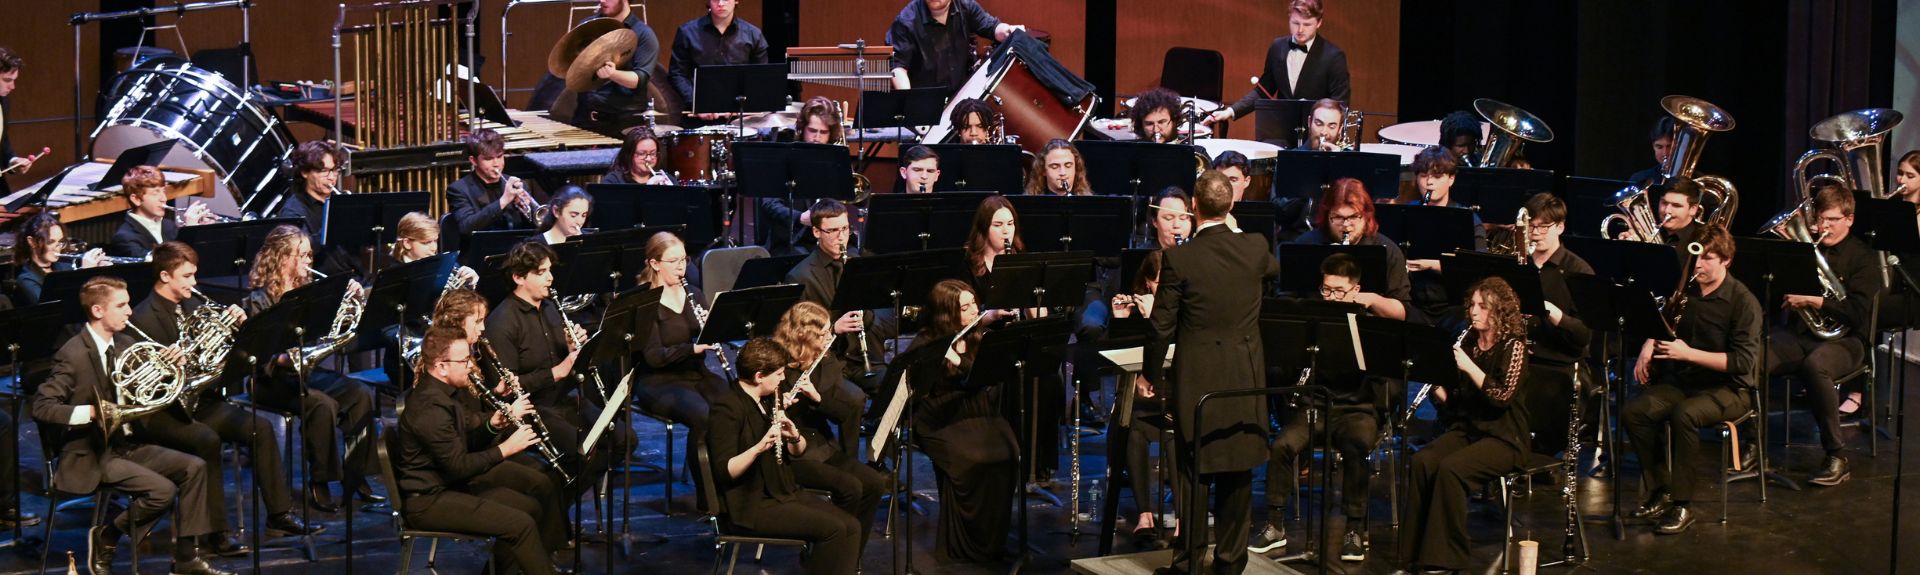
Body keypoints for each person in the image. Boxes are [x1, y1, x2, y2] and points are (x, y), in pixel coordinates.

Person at [129, 242, 324, 555]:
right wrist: (169, 365)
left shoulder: (191, 305)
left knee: (260, 428)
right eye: (187, 276)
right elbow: (141, 383)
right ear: (165, 276)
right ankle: (214, 532)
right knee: (207, 441)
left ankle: (279, 515)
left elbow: (221, 359)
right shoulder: (141, 318)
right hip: (165, 411)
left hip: (200, 402)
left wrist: (237, 329)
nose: (194, 283)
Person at [31, 277, 235, 575]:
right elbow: (41, 407)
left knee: (195, 468)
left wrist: (172, 367)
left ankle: (186, 557)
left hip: (127, 444)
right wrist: (88, 412)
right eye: (122, 305)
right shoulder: (72, 354)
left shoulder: (126, 343)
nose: (129, 311)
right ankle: (108, 536)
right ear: (98, 310)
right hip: (92, 453)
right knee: (162, 491)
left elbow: (152, 389)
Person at [1140, 170, 1280, 575]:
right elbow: (1273, 271)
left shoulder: (1180, 258)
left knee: (1193, 473)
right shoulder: (1254, 246)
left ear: (1194, 208)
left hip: (1196, 378)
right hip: (1244, 376)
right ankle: (1230, 564)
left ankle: (1187, 564)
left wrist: (1149, 373)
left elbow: (1162, 325)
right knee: (1238, 470)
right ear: (1231, 206)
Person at [1623, 223, 1761, 534]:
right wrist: (1650, 342)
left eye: (1708, 259)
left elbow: (1742, 362)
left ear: (1726, 261)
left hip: (1730, 390)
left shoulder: (1743, 302)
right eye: (1695, 257)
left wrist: (1688, 354)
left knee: (1684, 415)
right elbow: (1665, 323)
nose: (1698, 264)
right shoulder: (1686, 290)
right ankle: (1661, 488)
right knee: (1636, 412)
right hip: (1685, 383)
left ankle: (1682, 505)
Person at [397, 325, 565, 575]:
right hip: (430, 501)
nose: (470, 366)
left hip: (448, 487)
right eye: (464, 360)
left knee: (530, 508)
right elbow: (459, 467)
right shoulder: (429, 408)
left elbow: (465, 442)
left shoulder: (444, 395)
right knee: (520, 525)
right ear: (441, 366)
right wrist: (506, 449)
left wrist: (493, 424)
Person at [1395, 277, 1530, 575]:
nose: (1473, 312)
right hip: (1470, 429)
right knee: (1423, 461)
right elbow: (1459, 402)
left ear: (1500, 312)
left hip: (1505, 438)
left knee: (1451, 470)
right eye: (1472, 305)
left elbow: (1501, 396)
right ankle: (1413, 552)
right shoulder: (1468, 341)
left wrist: (1468, 366)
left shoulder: (1514, 347)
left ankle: (1446, 558)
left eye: (1483, 307)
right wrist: (1440, 392)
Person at [1250, 253, 1381, 560]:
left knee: (1357, 445)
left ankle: (1354, 528)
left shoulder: (1369, 325)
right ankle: (1275, 524)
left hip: (1356, 409)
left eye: (1339, 291)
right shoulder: (1313, 322)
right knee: (1282, 445)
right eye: (1326, 290)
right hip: (1316, 405)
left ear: (1355, 289)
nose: (1331, 297)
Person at [240, 225, 379, 513]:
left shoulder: (311, 291)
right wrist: (282, 360)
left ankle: (357, 474)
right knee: (321, 405)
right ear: (281, 258)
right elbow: (257, 353)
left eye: (309, 256)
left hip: (306, 374)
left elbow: (331, 331)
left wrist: (349, 296)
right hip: (270, 380)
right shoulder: (258, 299)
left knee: (360, 393)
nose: (307, 262)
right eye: (301, 256)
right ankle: (321, 480)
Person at [708, 337, 863, 574]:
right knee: (833, 529)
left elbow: (797, 453)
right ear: (760, 376)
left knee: (851, 526)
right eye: (779, 374)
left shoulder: (770, 398)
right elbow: (725, 470)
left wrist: (794, 436)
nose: (783, 379)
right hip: (751, 503)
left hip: (782, 488)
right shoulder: (727, 408)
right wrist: (759, 447)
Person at [1766, 185, 1882, 486]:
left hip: (1848, 340)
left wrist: (1816, 301)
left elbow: (1859, 313)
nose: (1824, 226)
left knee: (1816, 366)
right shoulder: (1805, 250)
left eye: (1832, 219)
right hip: (1802, 333)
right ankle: (1752, 445)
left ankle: (1836, 455)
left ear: (1849, 219)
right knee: (1755, 355)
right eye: (1820, 219)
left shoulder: (1865, 258)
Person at [903, 279, 1020, 564]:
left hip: (976, 408)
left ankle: (992, 541)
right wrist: (946, 359)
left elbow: (980, 376)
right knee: (971, 459)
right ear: (947, 314)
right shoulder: (926, 342)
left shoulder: (978, 334)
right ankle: (964, 545)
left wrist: (960, 359)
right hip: (937, 415)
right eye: (964, 308)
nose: (972, 312)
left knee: (1007, 452)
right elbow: (919, 392)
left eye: (973, 305)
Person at [771, 301, 883, 553]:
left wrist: (817, 398)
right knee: (850, 488)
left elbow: (843, 415)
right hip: (787, 454)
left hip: (820, 445)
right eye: (822, 334)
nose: (828, 338)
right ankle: (828, 552)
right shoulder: (774, 361)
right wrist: (781, 404)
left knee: (873, 483)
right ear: (804, 336)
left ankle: (851, 554)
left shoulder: (826, 360)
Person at [628, 232, 724, 481]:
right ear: (655, 264)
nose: (681, 267)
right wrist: (692, 348)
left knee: (733, 406)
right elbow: (653, 357)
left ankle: (728, 480)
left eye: (684, 260)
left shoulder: (694, 293)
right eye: (674, 261)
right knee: (704, 416)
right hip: (658, 382)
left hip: (696, 374)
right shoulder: (644, 301)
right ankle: (707, 494)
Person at [784, 199, 898, 398]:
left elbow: (872, 311)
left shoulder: (857, 264)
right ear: (816, 232)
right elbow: (798, 336)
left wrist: (865, 317)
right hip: (828, 363)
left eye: (845, 228)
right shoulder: (800, 276)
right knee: (855, 399)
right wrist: (834, 328)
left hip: (862, 359)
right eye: (833, 231)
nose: (841, 237)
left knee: (896, 383)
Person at [1107, 250, 1183, 548]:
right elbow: (1116, 362)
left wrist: (1157, 319)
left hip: (1178, 395)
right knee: (1131, 425)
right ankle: (1145, 515)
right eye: (1156, 284)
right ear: (1147, 283)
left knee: (1176, 434)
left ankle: (1182, 519)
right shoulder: (1138, 307)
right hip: (1142, 399)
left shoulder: (1186, 310)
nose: (1161, 291)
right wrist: (1120, 321)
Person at [1519, 193, 1598, 458]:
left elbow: (1584, 334)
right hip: (1520, 355)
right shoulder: (1520, 264)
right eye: (1531, 226)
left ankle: (1539, 455)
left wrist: (1555, 315)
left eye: (1543, 227)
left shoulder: (1579, 270)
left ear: (1560, 227)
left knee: (1543, 390)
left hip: (1558, 361)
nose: (1535, 233)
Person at [1206, 0, 1350, 126]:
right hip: (1281, 129)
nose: (1300, 30)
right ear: (1289, 19)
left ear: (1319, 23)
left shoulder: (1334, 56)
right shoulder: (1277, 47)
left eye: (1307, 24)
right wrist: (1230, 111)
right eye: (1295, 23)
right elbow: (1264, 91)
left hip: (1316, 134)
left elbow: (1340, 105)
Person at [1287, 178, 1410, 320]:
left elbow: (1402, 313)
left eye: (1353, 217)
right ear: (1327, 216)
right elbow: (1285, 302)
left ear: (1366, 216)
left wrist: (1372, 299)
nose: (1346, 225)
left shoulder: (1387, 249)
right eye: (1338, 217)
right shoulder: (1305, 245)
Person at [1404, 146, 1486, 327]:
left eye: (1437, 176)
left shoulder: (1467, 218)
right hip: (1414, 305)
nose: (1429, 183)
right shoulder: (1408, 212)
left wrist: (1432, 265)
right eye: (1423, 175)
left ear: (1451, 179)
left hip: (1454, 309)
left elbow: (1479, 268)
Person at [754, 96, 839, 256]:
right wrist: (800, 218)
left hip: (827, 238)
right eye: (812, 131)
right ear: (802, 129)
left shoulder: (835, 160)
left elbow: (856, 200)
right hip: (790, 241)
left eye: (823, 132)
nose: (817, 138)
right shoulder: (782, 159)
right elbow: (769, 205)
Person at [886, 0, 1024, 92]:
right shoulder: (905, 21)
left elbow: (991, 27)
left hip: (959, 96)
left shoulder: (966, 6)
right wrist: (911, 104)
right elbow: (898, 67)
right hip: (925, 100)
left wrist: (1008, 30)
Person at [668, 0, 769, 120]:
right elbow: (677, 74)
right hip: (698, 117)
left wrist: (741, 104)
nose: (720, 3)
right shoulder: (687, 33)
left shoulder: (754, 35)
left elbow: (759, 77)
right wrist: (697, 103)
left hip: (741, 117)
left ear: (736, 1)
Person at [574, 0, 661, 137]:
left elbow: (639, 79)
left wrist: (613, 74)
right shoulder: (587, 27)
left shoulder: (643, 34)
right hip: (586, 119)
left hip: (624, 123)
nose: (602, 0)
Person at [109, 165, 216, 258]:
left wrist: (201, 232)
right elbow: (166, 265)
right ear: (136, 199)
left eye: (163, 191)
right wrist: (190, 230)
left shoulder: (168, 225)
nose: (163, 198)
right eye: (156, 193)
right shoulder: (125, 239)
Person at [448, 128, 537, 236]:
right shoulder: (459, 189)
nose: (496, 164)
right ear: (473, 161)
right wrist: (503, 201)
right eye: (488, 159)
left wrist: (526, 210)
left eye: (499, 156)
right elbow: (466, 227)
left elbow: (535, 228)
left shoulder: (516, 184)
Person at [12, 211, 107, 306]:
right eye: (51, 241)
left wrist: (98, 273)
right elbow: (51, 308)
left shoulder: (65, 267)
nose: (58, 247)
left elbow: (91, 298)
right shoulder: (26, 280)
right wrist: (84, 273)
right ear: (32, 242)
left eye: (60, 241)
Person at [276, 140, 346, 235]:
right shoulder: (292, 212)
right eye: (324, 171)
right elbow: (299, 247)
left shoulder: (341, 202)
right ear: (305, 172)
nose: (331, 177)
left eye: (334, 170)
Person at [0, 47, 36, 196]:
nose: (12, 86)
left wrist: (12, 160)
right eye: (7, 80)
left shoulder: (3, 101)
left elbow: (2, 138)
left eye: (14, 80)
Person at [603, 128, 676, 185]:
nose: (648, 158)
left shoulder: (667, 179)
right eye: (642, 154)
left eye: (653, 153)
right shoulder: (614, 181)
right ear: (629, 154)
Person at [1026, 138, 1092, 195]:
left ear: (1076, 168)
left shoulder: (1091, 203)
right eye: (1055, 167)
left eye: (1068, 166)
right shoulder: (1027, 203)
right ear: (1043, 170)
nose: (1063, 173)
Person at [1627, 116, 1678, 187]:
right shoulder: (1639, 179)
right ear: (1653, 146)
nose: (1665, 153)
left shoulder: (1695, 180)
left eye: (1670, 146)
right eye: (1659, 147)